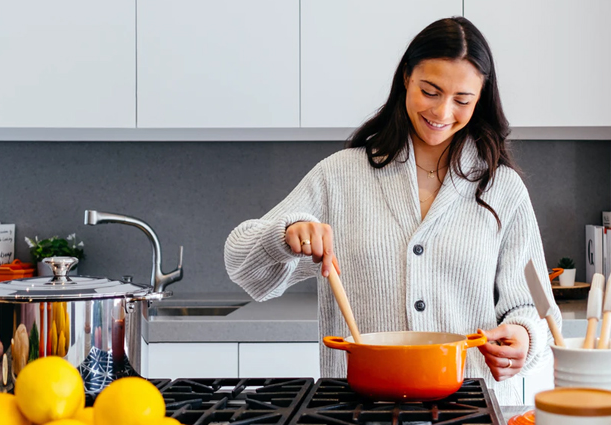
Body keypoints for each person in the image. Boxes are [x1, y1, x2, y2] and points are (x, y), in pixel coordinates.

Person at [223, 16, 560, 404]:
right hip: (355, 408)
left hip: (466, 406)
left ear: (480, 98)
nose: (443, 111)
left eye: (462, 100)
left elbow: (532, 306)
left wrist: (522, 336)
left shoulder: (502, 188)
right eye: (430, 91)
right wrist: (285, 235)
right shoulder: (341, 175)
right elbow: (241, 264)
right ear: (406, 78)